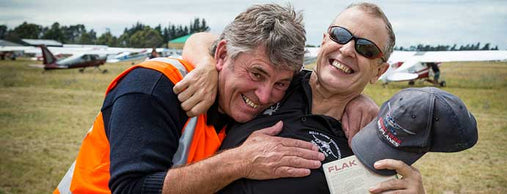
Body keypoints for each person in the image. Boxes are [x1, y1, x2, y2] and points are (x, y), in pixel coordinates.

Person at [54, 4, 327, 194]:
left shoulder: (241, 91)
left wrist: (356, 103)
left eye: (280, 83)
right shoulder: (154, 86)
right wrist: (240, 161)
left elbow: (323, 84)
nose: (265, 95)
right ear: (221, 56)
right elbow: (131, 189)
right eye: (256, 73)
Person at [174, 3, 425, 193]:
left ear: (379, 72)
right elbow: (204, 39)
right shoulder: (276, 82)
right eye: (340, 35)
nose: (347, 49)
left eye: (366, 49)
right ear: (325, 39)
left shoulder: (369, 136)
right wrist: (206, 65)